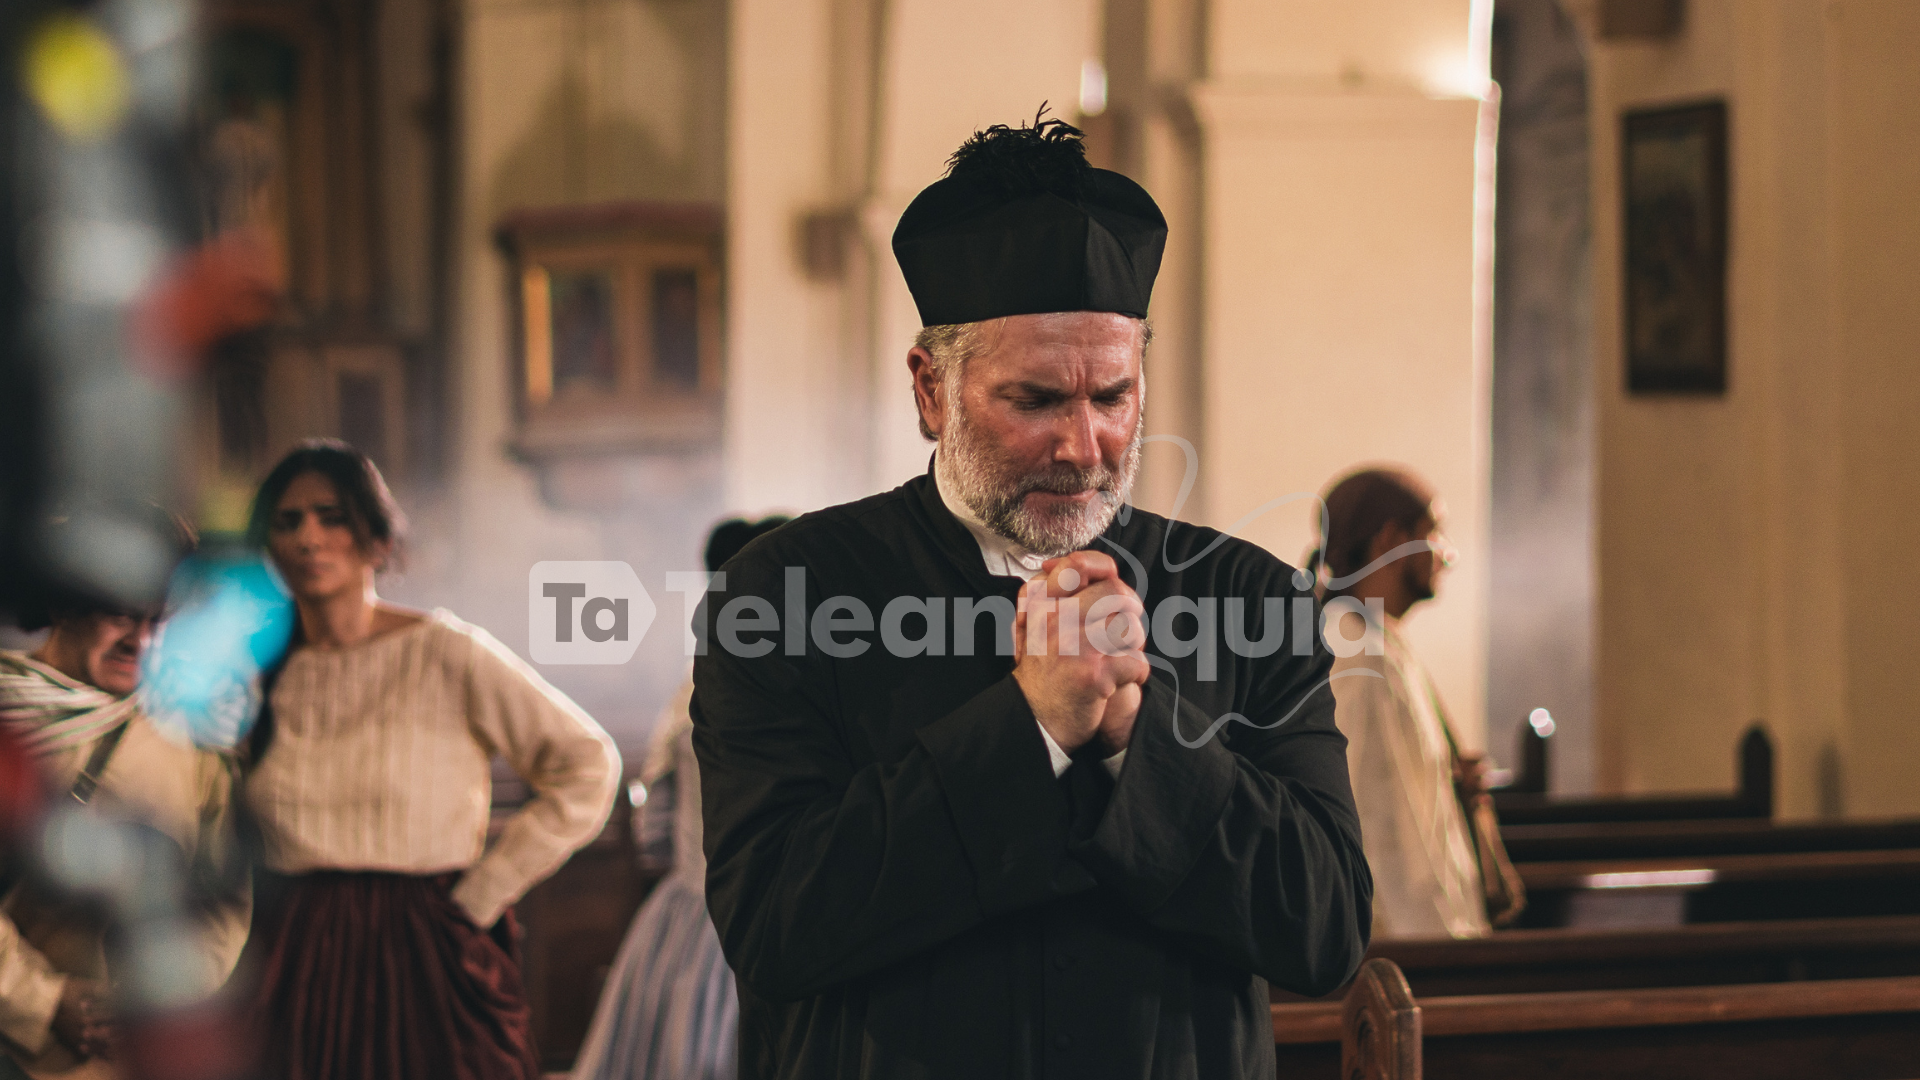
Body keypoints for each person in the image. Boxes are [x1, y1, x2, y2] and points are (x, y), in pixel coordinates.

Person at [690, 115, 1372, 1080]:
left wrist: (1136, 731)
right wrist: (1035, 722)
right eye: (1037, 400)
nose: (1083, 447)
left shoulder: (1250, 595)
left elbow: (1325, 929)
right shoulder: (786, 592)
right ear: (931, 390)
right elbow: (776, 927)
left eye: (1113, 398)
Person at [239, 440, 620, 1080]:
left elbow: (586, 763)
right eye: (288, 520)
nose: (308, 537)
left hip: (427, 941)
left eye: (330, 516)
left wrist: (481, 894)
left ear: (375, 538)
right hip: (294, 947)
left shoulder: (448, 654)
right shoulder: (256, 673)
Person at [0, 512, 250, 1079]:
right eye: (120, 614)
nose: (140, 638)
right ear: (64, 604)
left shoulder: (189, 730)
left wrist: (170, 994)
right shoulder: (6, 723)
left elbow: (223, 893)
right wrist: (42, 1002)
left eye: (158, 619)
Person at [571, 516, 789, 1080]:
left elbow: (656, 825)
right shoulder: (815, 687)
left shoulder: (696, 684)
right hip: (768, 911)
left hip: (699, 907)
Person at [1308, 466, 1516, 939]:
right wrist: (1444, 950)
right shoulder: (1360, 655)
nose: (1448, 554)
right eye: (1434, 534)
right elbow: (1382, 830)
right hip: (1406, 948)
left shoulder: (1375, 640)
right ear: (1390, 539)